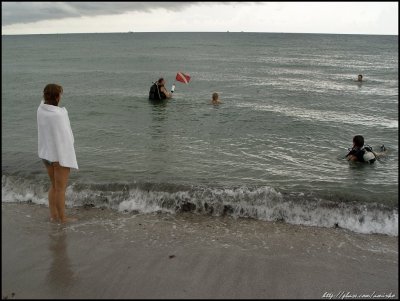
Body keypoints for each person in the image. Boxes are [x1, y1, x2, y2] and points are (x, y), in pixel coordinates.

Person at [37, 84, 78, 223]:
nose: (61, 96)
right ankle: (63, 218)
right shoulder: (59, 115)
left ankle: (54, 215)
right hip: (58, 157)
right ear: (56, 96)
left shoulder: (41, 110)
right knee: (60, 189)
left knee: (54, 186)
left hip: (46, 155)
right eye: (60, 94)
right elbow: (65, 138)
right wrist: (67, 157)